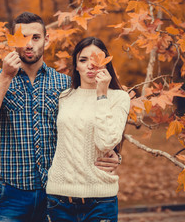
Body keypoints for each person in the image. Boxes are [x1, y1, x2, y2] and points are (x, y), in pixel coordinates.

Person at [0, 12, 120, 222]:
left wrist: (115, 154)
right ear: (12, 41)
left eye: (35, 37)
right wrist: (6, 76)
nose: (29, 44)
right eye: (22, 38)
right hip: (12, 194)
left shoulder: (64, 84)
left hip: (56, 195)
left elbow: (91, 123)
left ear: (46, 40)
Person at [46, 37, 130, 222]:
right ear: (76, 66)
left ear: (106, 62)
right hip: (59, 199)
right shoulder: (64, 97)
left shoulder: (119, 97)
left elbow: (106, 142)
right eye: (83, 60)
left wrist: (101, 94)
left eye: (96, 59)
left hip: (100, 201)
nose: (90, 65)